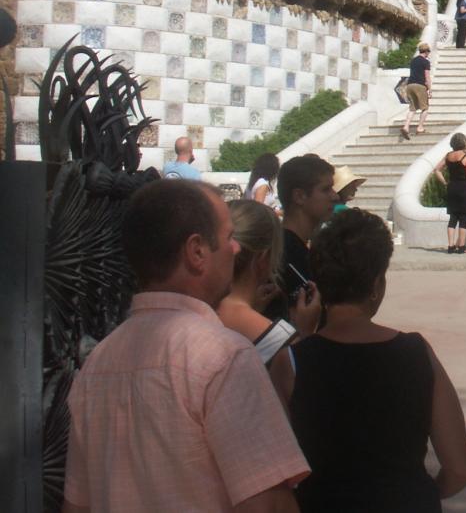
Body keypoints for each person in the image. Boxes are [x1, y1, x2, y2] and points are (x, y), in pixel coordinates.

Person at [63, 181, 310, 513]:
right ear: (196, 252)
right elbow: (268, 505)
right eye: (228, 238)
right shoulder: (225, 357)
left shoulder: (97, 364)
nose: (236, 249)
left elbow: (77, 505)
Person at [290, 208, 466, 510]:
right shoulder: (415, 354)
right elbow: (461, 469)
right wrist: (419, 494)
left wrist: (304, 336)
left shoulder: (294, 362)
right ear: (376, 285)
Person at [218, 199, 319, 398]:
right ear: (264, 259)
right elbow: (300, 400)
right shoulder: (280, 341)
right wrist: (305, 333)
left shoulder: (194, 313)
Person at [273, 155, 338, 322]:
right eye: (326, 189)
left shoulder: (290, 246)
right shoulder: (284, 254)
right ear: (299, 196)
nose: (335, 196)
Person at [433, 133, 466, 255]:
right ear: (463, 142)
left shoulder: (448, 156)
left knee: (453, 218)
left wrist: (445, 182)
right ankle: (461, 247)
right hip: (464, 188)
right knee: (463, 219)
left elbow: (436, 170)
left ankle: (450, 246)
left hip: (452, 187)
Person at [401, 43, 433, 140]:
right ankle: (420, 127)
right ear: (426, 51)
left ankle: (406, 127)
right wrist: (430, 89)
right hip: (420, 85)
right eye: (428, 51)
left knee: (413, 108)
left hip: (410, 85)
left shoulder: (413, 61)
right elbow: (427, 76)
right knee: (425, 108)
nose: (429, 53)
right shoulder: (425, 62)